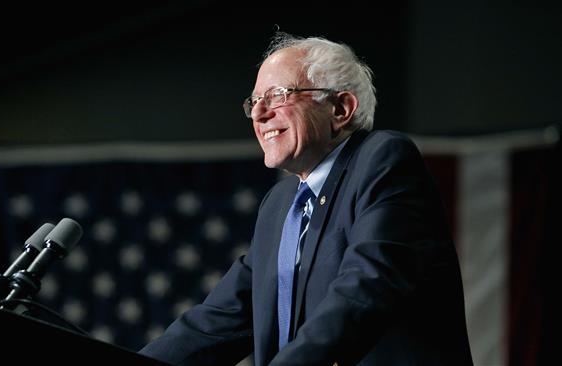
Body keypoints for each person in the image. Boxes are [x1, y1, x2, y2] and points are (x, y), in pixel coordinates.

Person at [139, 32, 473, 366]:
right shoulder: (280, 203)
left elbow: (365, 288)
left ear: (340, 108)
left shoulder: (382, 159)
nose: (259, 114)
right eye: (254, 102)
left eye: (277, 95)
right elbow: (215, 323)